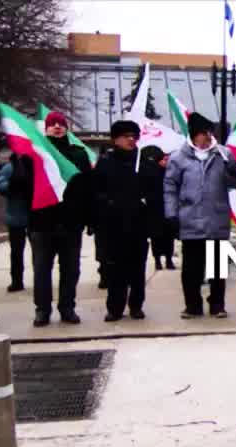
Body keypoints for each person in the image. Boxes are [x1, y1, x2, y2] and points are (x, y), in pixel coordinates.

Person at [164, 112, 236, 319]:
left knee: (217, 268)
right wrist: (171, 213)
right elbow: (170, 186)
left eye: (210, 132)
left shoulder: (223, 154)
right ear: (194, 135)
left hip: (216, 220)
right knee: (191, 269)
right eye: (204, 133)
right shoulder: (179, 158)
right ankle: (193, 305)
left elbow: (234, 183)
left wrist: (234, 170)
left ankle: (217, 304)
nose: (208, 137)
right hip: (190, 220)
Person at [28, 111, 92, 326]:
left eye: (61, 123)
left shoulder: (78, 154)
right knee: (42, 269)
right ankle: (42, 310)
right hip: (42, 221)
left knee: (71, 269)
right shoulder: (36, 152)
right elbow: (25, 183)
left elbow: (86, 187)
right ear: (45, 128)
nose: (57, 126)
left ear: (66, 128)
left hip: (70, 221)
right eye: (52, 123)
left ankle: (67, 307)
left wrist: (86, 217)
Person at [94, 120, 162, 321]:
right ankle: (115, 307)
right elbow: (97, 191)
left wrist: (147, 206)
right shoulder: (106, 162)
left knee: (137, 269)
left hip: (138, 224)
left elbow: (154, 191)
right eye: (126, 136)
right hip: (114, 225)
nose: (131, 140)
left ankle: (136, 305)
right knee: (115, 269)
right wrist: (108, 205)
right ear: (116, 139)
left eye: (134, 136)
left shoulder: (143, 162)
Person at [0, 151, 33, 291]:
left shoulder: (11, 167)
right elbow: (0, 187)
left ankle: (18, 282)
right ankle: (19, 280)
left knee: (18, 252)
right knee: (22, 253)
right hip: (26, 216)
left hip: (21, 216)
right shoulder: (11, 167)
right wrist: (13, 185)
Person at [141, 146, 175, 270]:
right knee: (157, 236)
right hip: (155, 208)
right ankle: (158, 260)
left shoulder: (170, 172)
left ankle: (168, 259)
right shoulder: (150, 170)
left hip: (166, 207)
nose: (166, 161)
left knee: (167, 236)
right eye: (164, 159)